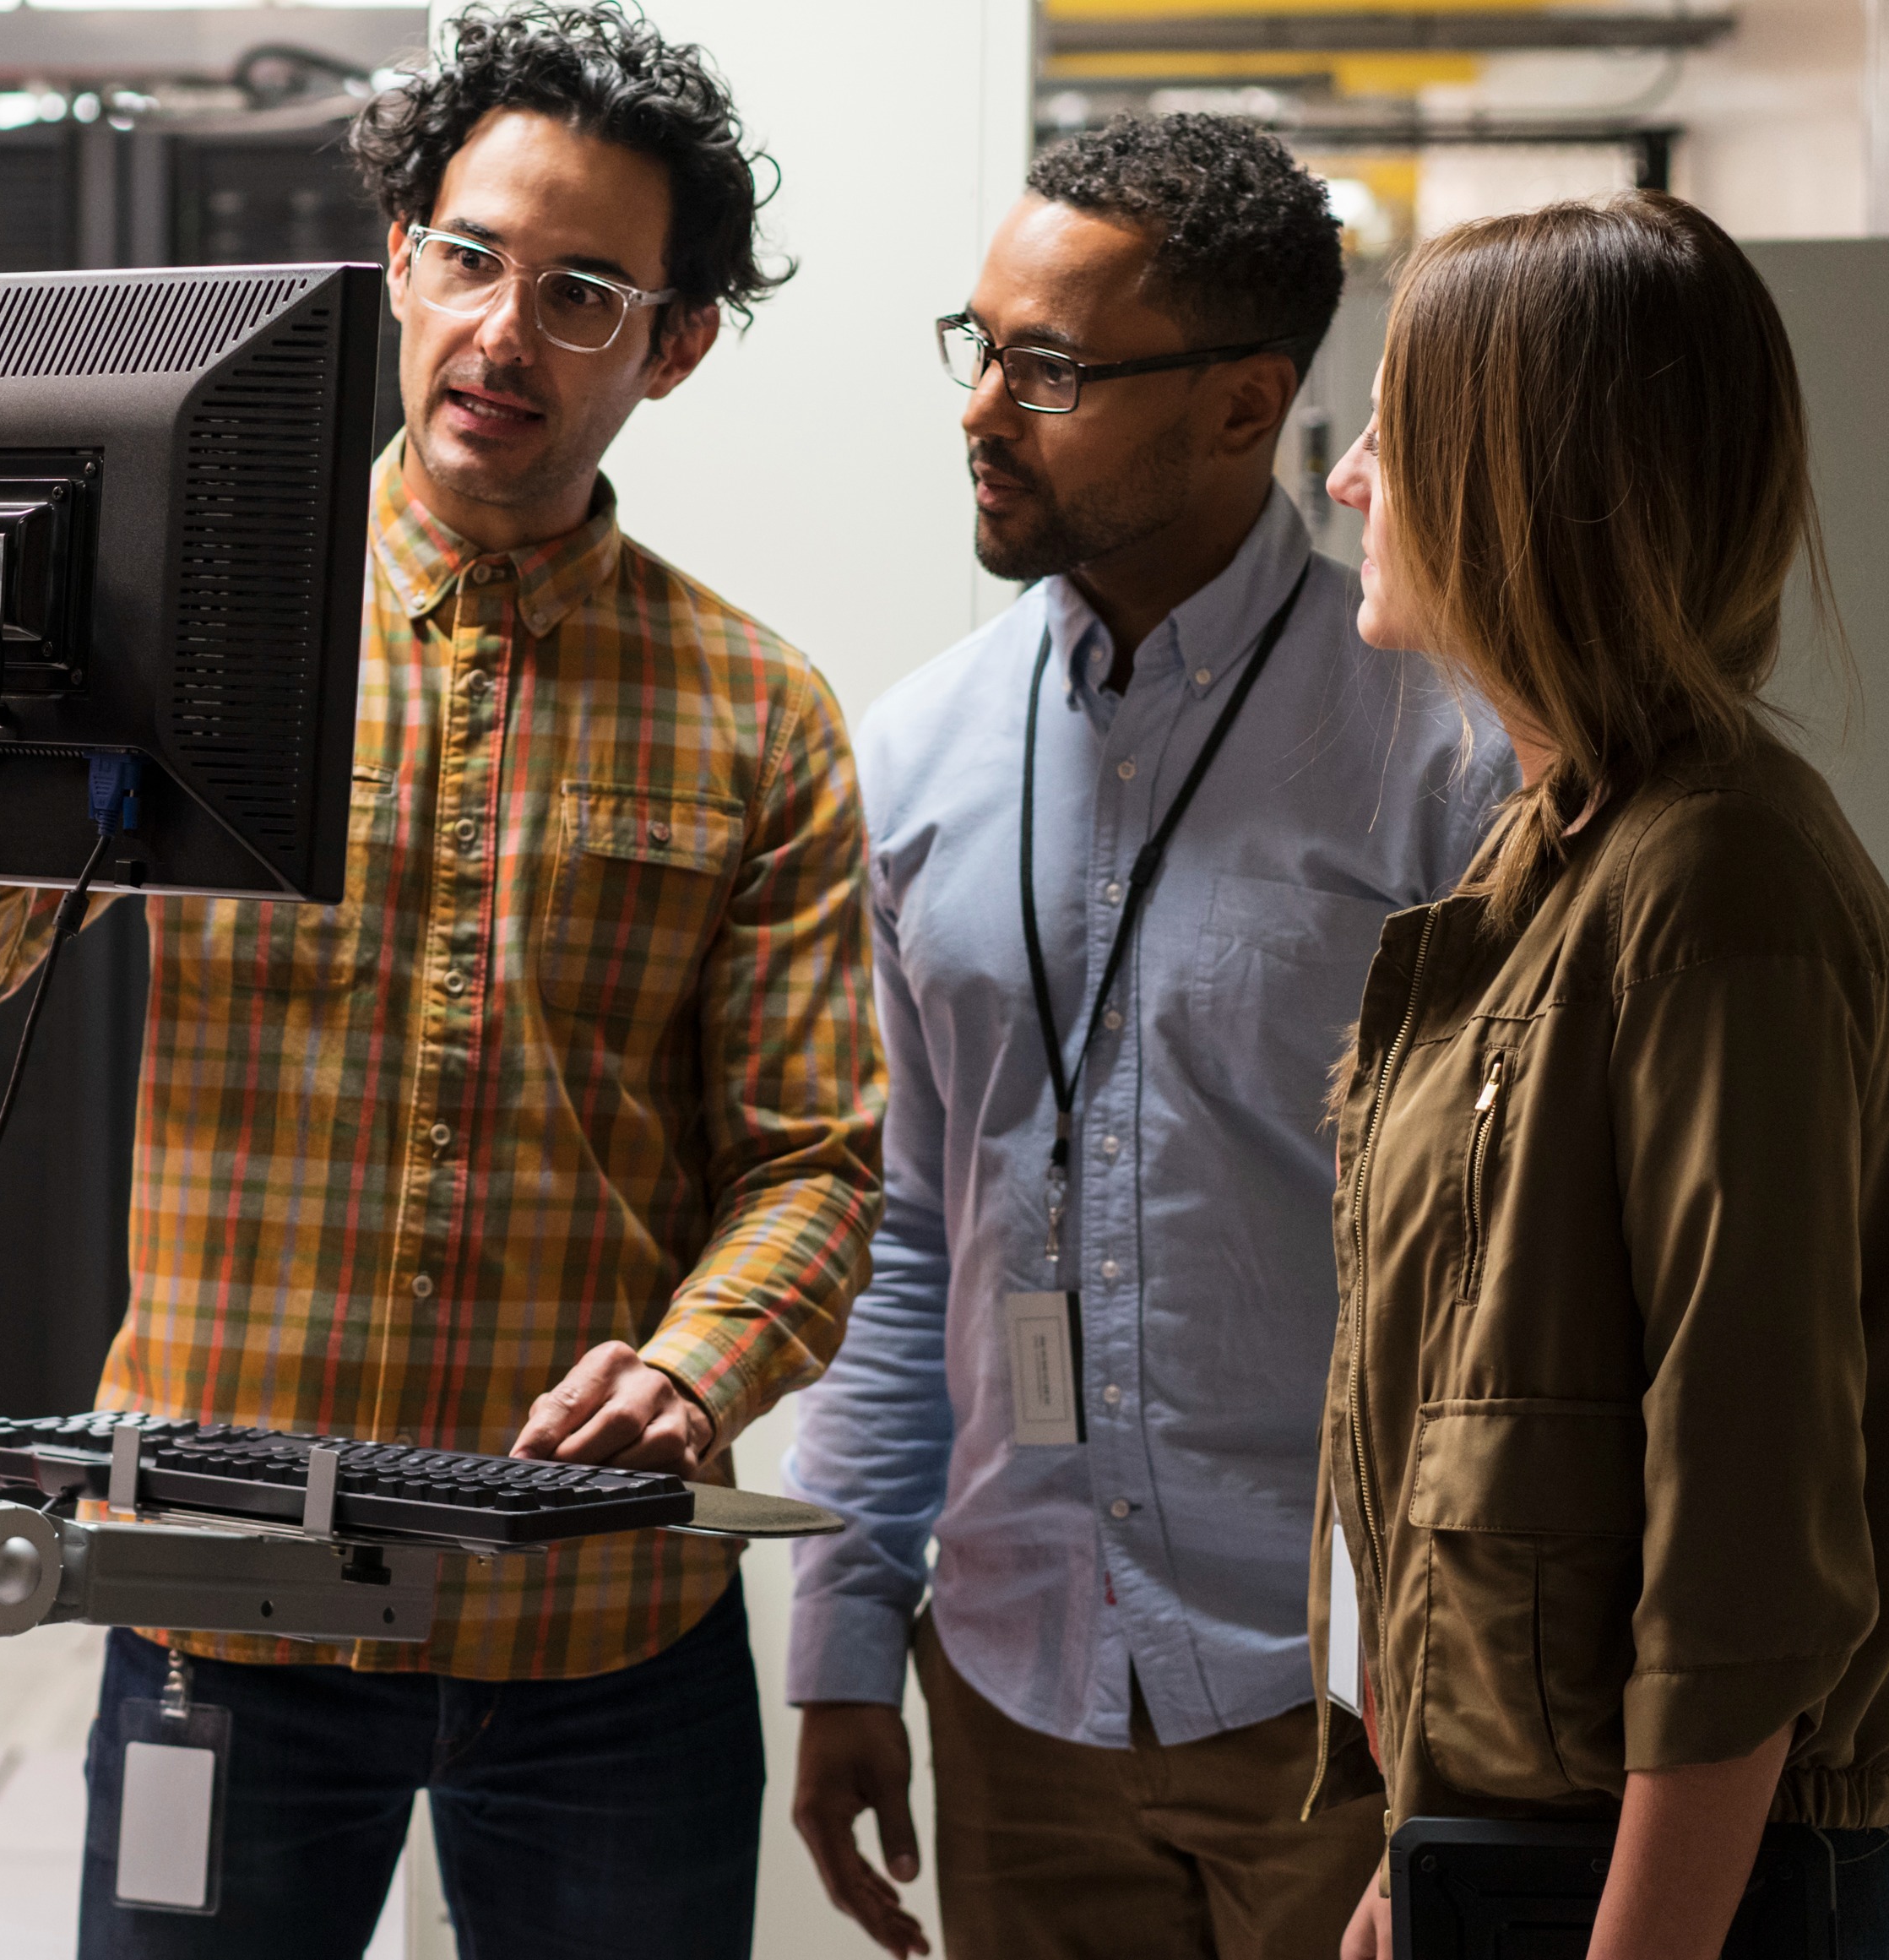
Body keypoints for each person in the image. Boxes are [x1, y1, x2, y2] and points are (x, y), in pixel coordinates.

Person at [0, 6, 879, 1951]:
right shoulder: (186, 617)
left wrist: (693, 1371)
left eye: (584, 291)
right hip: (216, 1590)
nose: (503, 331)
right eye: (468, 259)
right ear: (393, 265)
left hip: (595, 1627)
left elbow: (816, 1166)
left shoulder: (757, 711)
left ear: (673, 347)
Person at [783, 115, 1513, 1960]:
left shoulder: (1445, 755)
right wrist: (845, 1637)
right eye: (978, 349)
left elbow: (1516, 1272)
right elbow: (904, 1236)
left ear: (1238, 401)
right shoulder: (919, 754)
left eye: (1048, 370)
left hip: (1343, 1708)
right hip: (1017, 1688)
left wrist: (1469, 1707)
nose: (979, 411)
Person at [1314, 191, 1889, 1960]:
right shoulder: (1558, 859)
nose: (1349, 480)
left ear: (1513, 481)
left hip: (1671, 1892)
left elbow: (1745, 1543)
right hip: (1517, 1849)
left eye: (1391, 433)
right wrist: (1403, 1851)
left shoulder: (1713, 884)